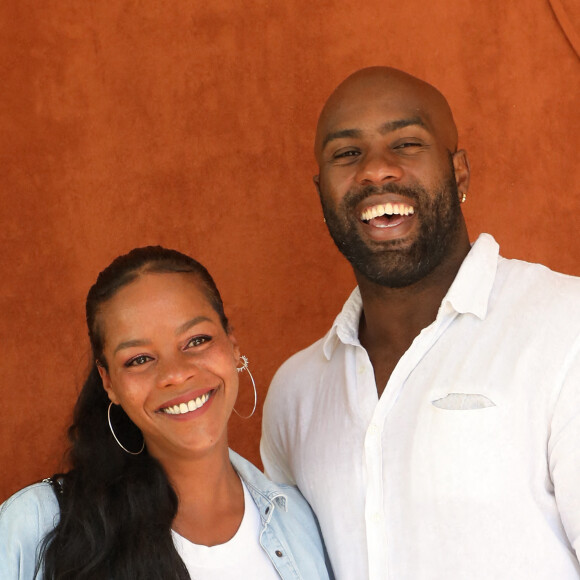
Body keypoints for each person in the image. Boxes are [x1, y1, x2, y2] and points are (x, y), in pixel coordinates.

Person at [260, 66, 580, 579]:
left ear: (459, 173)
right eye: (347, 153)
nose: (375, 171)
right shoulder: (295, 394)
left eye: (406, 144)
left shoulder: (566, 328)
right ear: (321, 190)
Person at [0, 246, 332, 580]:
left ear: (232, 344)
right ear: (108, 381)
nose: (175, 373)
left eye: (196, 340)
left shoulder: (301, 521)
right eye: (139, 359)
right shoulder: (34, 527)